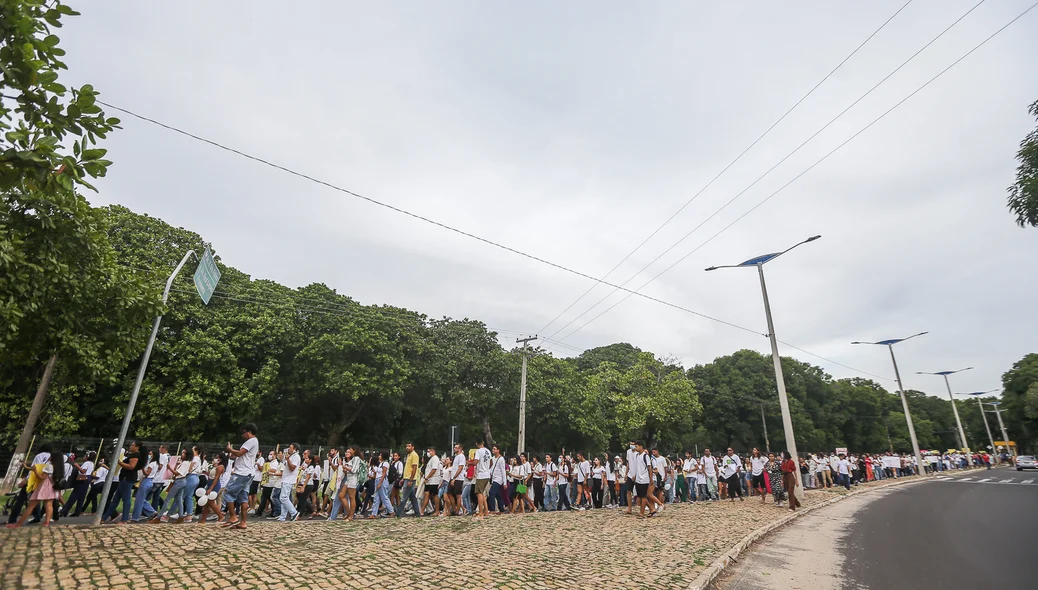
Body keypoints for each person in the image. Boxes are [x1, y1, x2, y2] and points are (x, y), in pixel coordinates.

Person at [7, 449, 64, 529]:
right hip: (52, 488)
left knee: (30, 506)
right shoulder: (59, 467)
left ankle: (18, 524)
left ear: (53, 458)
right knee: (48, 505)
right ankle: (46, 523)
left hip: (44, 487)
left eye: (51, 456)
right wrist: (27, 467)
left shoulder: (49, 466)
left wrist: (35, 470)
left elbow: (41, 477)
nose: (49, 457)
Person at [223, 423, 259, 529]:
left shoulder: (251, 441)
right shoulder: (254, 442)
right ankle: (243, 522)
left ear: (248, 432)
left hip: (242, 473)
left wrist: (230, 449)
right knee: (243, 497)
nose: (242, 435)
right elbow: (239, 455)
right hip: (248, 473)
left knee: (228, 492)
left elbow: (239, 454)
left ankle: (233, 516)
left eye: (243, 433)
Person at [104, 440, 145, 524]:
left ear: (137, 447)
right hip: (124, 478)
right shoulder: (131, 455)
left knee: (126, 499)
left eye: (132, 445)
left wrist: (119, 462)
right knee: (116, 499)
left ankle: (124, 519)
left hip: (128, 478)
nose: (130, 446)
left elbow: (131, 466)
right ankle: (104, 518)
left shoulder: (135, 455)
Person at [60, 451, 95, 518]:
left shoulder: (86, 463)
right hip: (87, 480)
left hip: (82, 480)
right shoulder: (92, 463)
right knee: (81, 497)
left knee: (73, 496)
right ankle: (77, 512)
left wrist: (76, 465)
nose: (84, 457)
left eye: (85, 456)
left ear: (87, 457)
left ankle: (64, 511)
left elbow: (83, 471)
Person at [198, 452, 227, 525]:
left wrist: (210, 488)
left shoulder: (220, 467)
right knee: (206, 503)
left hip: (214, 485)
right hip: (210, 483)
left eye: (217, 458)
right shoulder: (217, 466)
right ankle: (203, 519)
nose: (215, 459)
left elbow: (216, 478)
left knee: (211, 502)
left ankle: (220, 516)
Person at [394, 442, 421, 518]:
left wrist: (410, 480)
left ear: (413, 447)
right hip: (407, 478)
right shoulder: (409, 455)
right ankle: (417, 513)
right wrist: (403, 478)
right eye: (407, 446)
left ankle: (398, 513)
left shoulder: (414, 455)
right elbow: (408, 469)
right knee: (412, 497)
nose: (407, 447)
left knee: (404, 497)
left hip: (410, 479)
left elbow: (414, 468)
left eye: (409, 446)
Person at [278, 443, 301, 523]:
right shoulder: (291, 456)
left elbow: (292, 468)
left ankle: (294, 512)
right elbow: (286, 465)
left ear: (294, 449)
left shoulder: (296, 457)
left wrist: (288, 459)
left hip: (289, 479)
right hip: (286, 478)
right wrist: (282, 459)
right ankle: (282, 517)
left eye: (290, 448)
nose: (289, 449)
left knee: (283, 498)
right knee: (285, 498)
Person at [473, 439, 493, 519]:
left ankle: (480, 513)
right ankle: (486, 512)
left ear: (476, 444)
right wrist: (487, 468)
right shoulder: (488, 451)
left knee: (479, 493)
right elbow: (491, 462)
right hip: (487, 474)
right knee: (483, 493)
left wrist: (469, 462)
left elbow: (475, 462)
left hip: (481, 474)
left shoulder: (479, 451)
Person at [369, 452, 392, 518]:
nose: (379, 456)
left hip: (382, 480)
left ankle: (391, 511)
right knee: (376, 498)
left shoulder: (385, 463)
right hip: (378, 479)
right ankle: (374, 513)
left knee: (384, 497)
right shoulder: (380, 464)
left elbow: (383, 474)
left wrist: (380, 483)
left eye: (380, 455)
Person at [421, 446, 442, 517]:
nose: (428, 453)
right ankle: (422, 510)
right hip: (429, 481)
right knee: (426, 495)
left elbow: (434, 469)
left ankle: (437, 511)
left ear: (433, 451)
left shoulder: (435, 459)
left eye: (429, 451)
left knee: (435, 495)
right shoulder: (431, 459)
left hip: (433, 480)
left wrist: (427, 477)